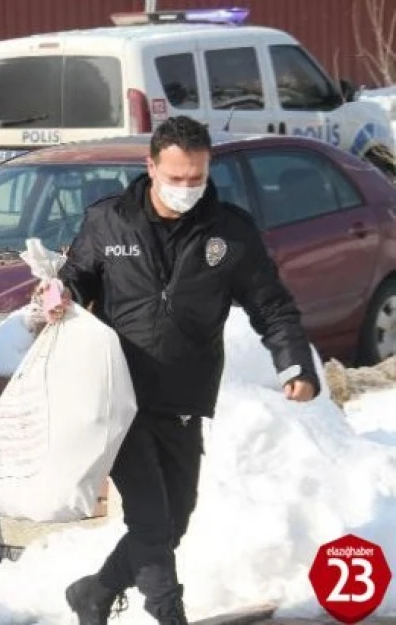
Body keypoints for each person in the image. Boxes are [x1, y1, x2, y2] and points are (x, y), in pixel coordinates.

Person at [50, 116, 319, 624]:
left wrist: (295, 365)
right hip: (118, 396)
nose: (187, 189)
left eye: (196, 178)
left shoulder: (229, 232)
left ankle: (96, 591)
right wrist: (56, 297)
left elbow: (272, 307)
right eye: (176, 178)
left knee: (175, 521)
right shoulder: (109, 221)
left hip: (183, 399)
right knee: (151, 521)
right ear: (151, 167)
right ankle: (169, 614)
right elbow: (75, 281)